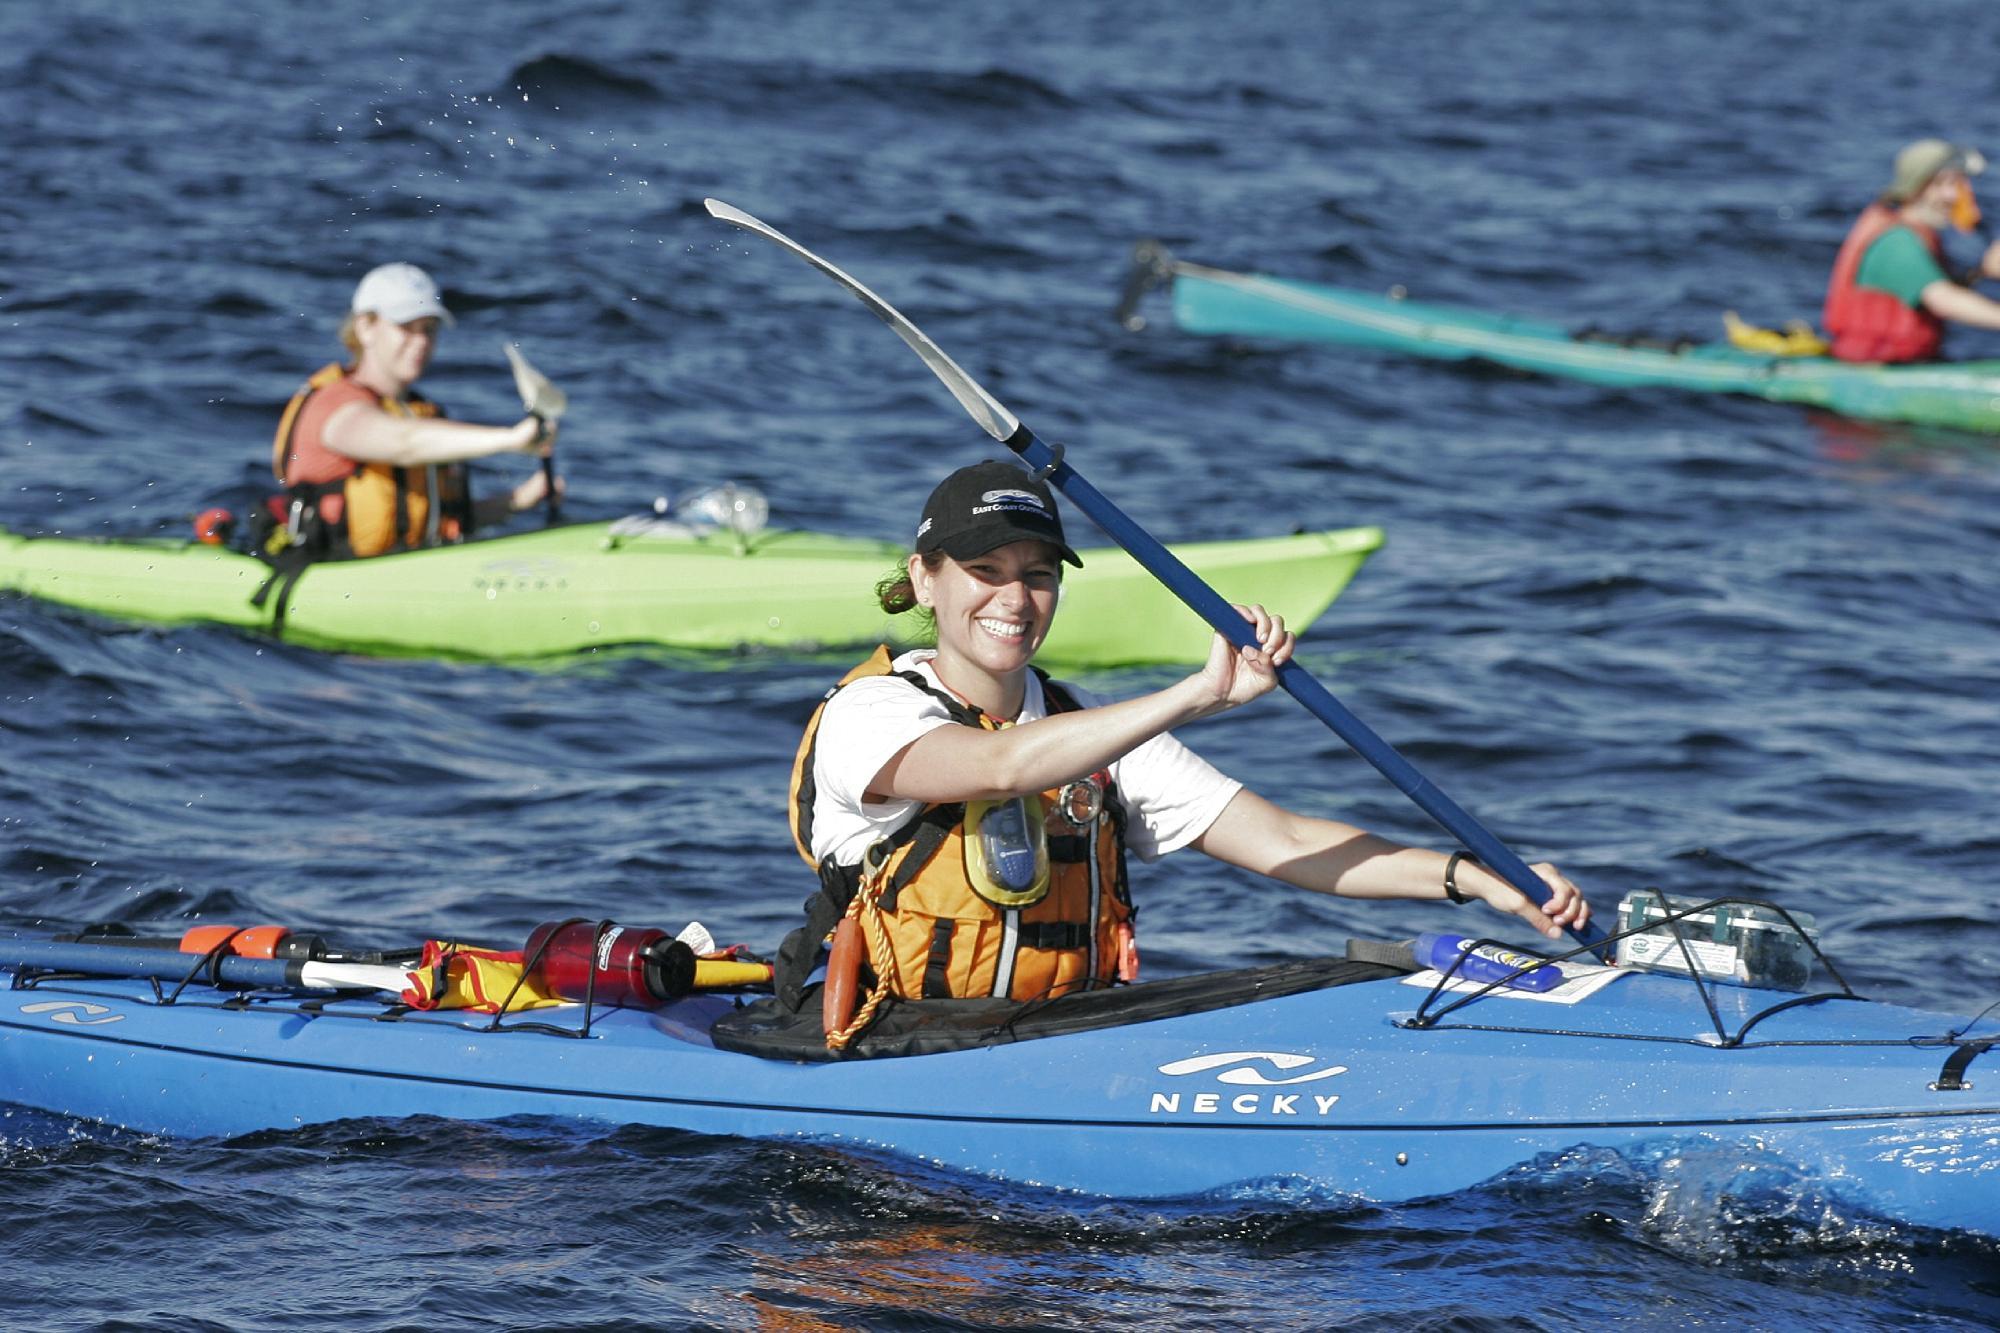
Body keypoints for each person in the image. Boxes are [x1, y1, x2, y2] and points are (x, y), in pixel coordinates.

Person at [784, 459, 1591, 1044]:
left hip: (1061, 1039)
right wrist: (1197, 694)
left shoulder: (1089, 728)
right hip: (904, 1045)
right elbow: (1001, 766)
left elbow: (1286, 844)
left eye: (1037, 575)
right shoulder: (871, 713)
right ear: (925, 581)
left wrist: (1476, 880)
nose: (1015, 599)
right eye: (983, 570)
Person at [266, 262, 558, 559]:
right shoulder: (333, 405)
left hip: (409, 569)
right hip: (337, 574)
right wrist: (512, 439)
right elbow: (404, 443)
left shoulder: (419, 412)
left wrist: (516, 501)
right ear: (365, 327)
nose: (421, 342)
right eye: (406, 328)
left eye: (429, 330)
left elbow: (439, 521)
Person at [1823, 139, 2000, 363]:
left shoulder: (1920, 235)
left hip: (1908, 362)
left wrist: (1983, 270)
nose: (1953, 196)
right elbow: (1942, 299)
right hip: (1873, 367)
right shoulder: (1897, 242)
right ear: (1914, 186)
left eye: (1957, 185)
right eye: (1939, 185)